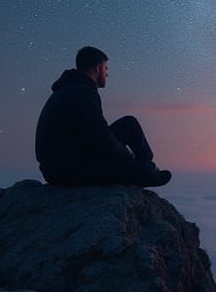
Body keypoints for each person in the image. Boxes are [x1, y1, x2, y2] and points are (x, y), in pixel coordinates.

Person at [35, 46, 172, 187]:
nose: (107, 74)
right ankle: (148, 171)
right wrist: (129, 160)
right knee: (143, 172)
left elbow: (95, 134)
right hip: (68, 170)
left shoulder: (73, 88)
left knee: (130, 124)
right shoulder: (82, 92)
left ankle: (147, 165)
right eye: (106, 69)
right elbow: (102, 138)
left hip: (70, 158)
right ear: (98, 68)